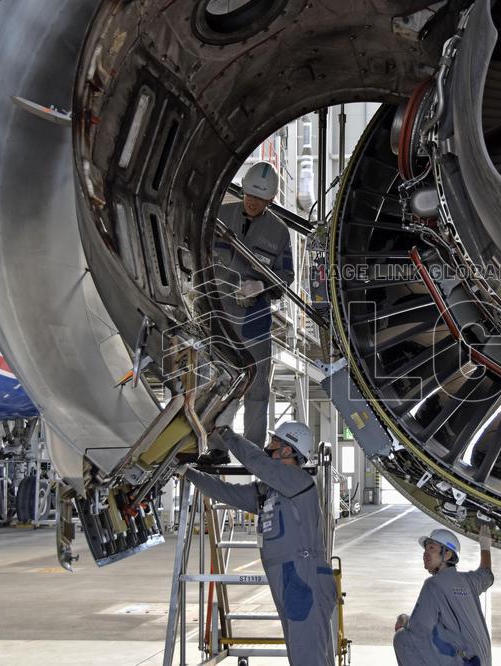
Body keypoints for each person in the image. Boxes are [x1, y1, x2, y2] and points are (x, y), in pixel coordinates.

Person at [180, 402, 336, 665]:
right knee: (304, 653)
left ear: (288, 449)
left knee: (307, 655)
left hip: (303, 575)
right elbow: (226, 492)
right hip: (288, 578)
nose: (269, 445)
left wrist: (225, 433)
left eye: (275, 441)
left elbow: (257, 463)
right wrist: (188, 473)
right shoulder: (269, 490)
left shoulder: (299, 481)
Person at [199, 161, 294, 465]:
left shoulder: (279, 233)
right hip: (219, 317)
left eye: (260, 199)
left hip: (254, 320)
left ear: (270, 201)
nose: (252, 202)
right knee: (221, 383)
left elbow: (286, 276)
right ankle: (216, 446)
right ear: (242, 191)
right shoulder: (219, 218)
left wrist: (261, 285)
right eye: (249, 195)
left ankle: (252, 452)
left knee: (256, 387)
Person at [393, 526, 494, 665]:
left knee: (402, 638)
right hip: (482, 661)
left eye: (431, 548)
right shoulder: (469, 580)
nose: (425, 553)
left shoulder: (433, 584)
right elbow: (486, 574)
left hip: (465, 662)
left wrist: (404, 619)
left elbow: (419, 628)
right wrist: (485, 545)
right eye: (425, 549)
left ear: (447, 554)